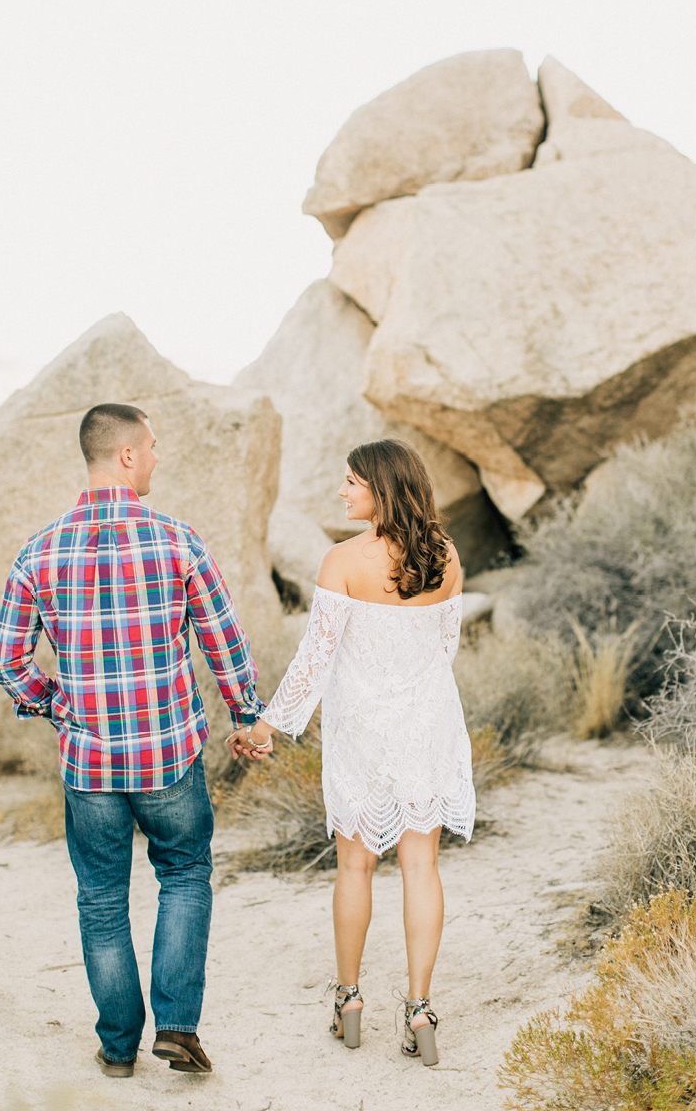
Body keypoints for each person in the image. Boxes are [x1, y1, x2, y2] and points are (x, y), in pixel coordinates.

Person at [0, 403, 266, 1079]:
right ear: (124, 455)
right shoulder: (176, 540)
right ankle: (176, 1027)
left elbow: (7, 658)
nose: (155, 456)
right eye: (151, 446)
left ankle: (118, 1048)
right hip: (168, 756)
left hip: (89, 764)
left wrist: (53, 703)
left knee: (101, 902)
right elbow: (222, 639)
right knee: (185, 873)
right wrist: (244, 713)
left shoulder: (40, 550)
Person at [228, 437, 476, 1067]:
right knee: (421, 865)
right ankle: (420, 1009)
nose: (342, 491)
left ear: (382, 488)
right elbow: (443, 650)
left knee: (354, 866)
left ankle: (349, 1000)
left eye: (352, 482)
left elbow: (314, 660)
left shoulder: (341, 559)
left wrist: (266, 727)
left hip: (363, 726)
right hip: (427, 722)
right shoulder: (446, 558)